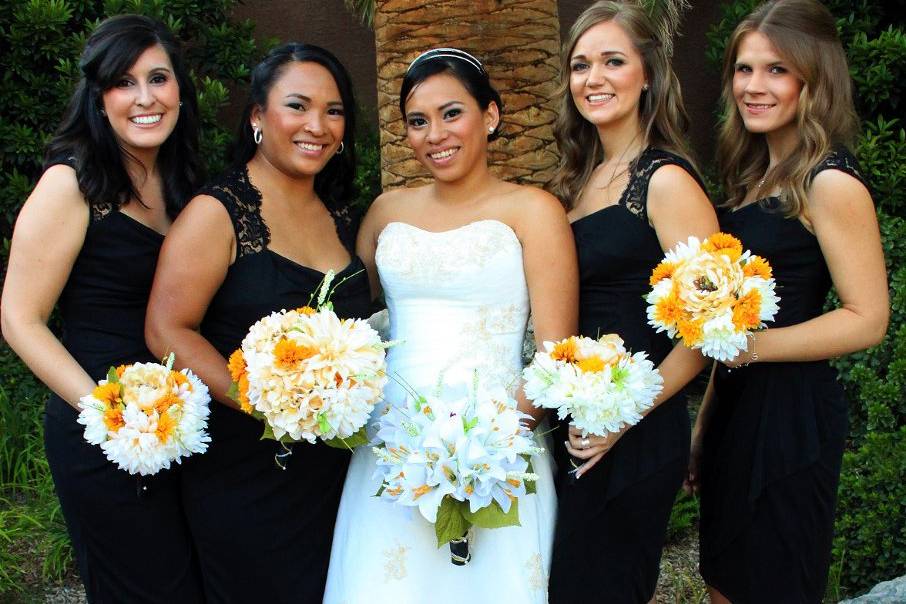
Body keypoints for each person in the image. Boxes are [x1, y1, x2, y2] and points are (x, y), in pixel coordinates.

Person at [323, 47, 578, 603]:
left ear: (490, 115)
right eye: (418, 121)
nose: (434, 134)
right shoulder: (386, 212)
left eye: (452, 113)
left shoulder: (533, 210)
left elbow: (557, 356)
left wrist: (481, 451)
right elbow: (349, 324)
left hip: (498, 447)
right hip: (390, 444)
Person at [144, 43, 371, 603]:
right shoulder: (218, 213)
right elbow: (167, 330)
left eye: (334, 111)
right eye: (297, 106)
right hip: (246, 471)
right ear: (256, 117)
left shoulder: (346, 215)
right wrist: (266, 399)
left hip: (337, 474)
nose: (317, 125)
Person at [688, 1, 889, 601]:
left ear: (813, 79)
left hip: (791, 421)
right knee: (725, 581)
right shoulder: (753, 178)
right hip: (736, 412)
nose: (754, 86)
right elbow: (730, 328)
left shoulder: (828, 182)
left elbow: (868, 317)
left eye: (776, 70)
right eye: (743, 69)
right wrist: (704, 423)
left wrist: (749, 349)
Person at [0, 15, 203, 602]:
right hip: (102, 430)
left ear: (180, 91)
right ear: (100, 97)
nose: (145, 98)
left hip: (184, 427)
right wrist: (107, 416)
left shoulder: (187, 184)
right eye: (124, 82)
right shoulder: (71, 185)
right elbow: (19, 319)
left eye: (159, 78)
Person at [545, 2, 719, 602]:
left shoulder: (666, 181)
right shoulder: (576, 177)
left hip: (633, 433)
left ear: (648, 74)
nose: (593, 78)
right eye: (580, 65)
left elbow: (708, 333)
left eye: (612, 61)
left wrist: (622, 418)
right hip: (575, 425)